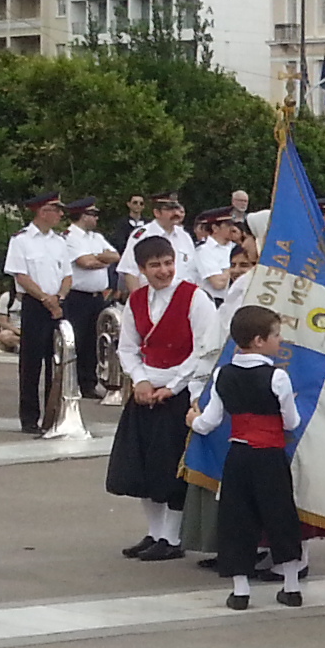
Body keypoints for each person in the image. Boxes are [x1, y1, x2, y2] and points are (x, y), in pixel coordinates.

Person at [108, 235, 222, 563]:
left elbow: (205, 349)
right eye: (155, 265)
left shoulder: (195, 297)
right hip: (147, 391)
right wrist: (140, 381)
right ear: (141, 269)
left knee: (171, 468)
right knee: (142, 468)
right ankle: (155, 532)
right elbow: (128, 347)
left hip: (180, 393)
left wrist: (172, 386)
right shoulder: (137, 300)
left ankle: (173, 537)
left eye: (168, 263)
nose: (164, 270)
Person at [188, 305, 311, 609]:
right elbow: (291, 422)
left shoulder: (223, 374)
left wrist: (193, 420)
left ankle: (240, 591)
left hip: (239, 456)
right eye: (276, 335)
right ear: (259, 340)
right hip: (270, 457)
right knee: (280, 515)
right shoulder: (277, 377)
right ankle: (291, 587)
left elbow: (210, 421)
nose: (280, 340)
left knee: (237, 519)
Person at [3, 196, 79, 435]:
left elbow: (67, 275)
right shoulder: (22, 240)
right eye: (55, 210)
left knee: (57, 362)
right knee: (31, 363)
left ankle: (53, 414)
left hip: (58, 303)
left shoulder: (59, 242)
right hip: (35, 305)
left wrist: (59, 297)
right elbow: (21, 275)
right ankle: (29, 418)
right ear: (42, 212)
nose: (60, 215)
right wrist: (46, 299)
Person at [60, 198, 117, 397]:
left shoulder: (97, 237)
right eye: (93, 214)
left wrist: (97, 258)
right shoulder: (70, 237)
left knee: (94, 341)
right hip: (77, 296)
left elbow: (115, 256)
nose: (96, 218)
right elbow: (85, 263)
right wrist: (100, 259)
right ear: (82, 215)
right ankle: (72, 381)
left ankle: (88, 383)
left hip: (97, 297)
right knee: (77, 339)